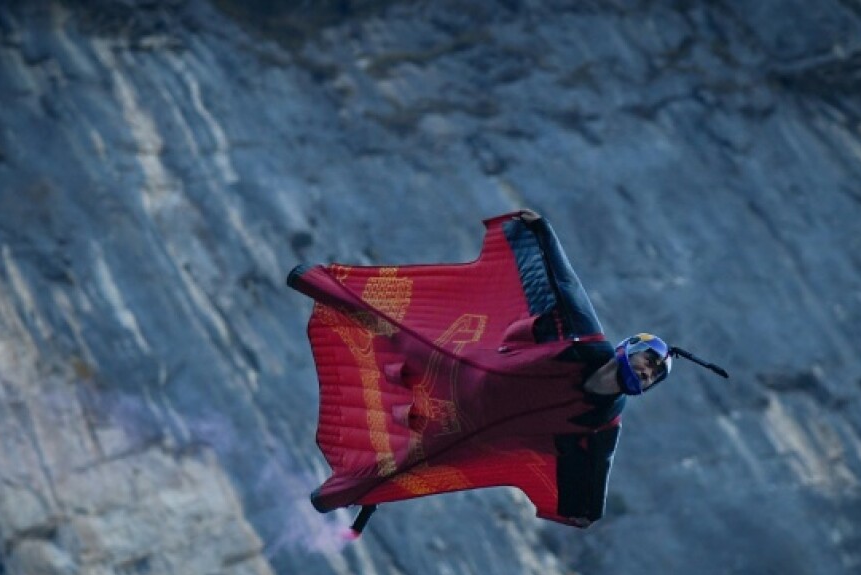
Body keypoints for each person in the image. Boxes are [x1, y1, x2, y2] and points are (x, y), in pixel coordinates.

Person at [288, 209, 726, 534]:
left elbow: (594, 474)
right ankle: (317, 282)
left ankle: (332, 498)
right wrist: (539, 231)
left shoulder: (599, 426)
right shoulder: (580, 338)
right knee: (398, 330)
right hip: (466, 370)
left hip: (471, 433)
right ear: (628, 348)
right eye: (646, 362)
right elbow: (562, 284)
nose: (644, 374)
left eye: (652, 377)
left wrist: (583, 510)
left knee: (395, 470)